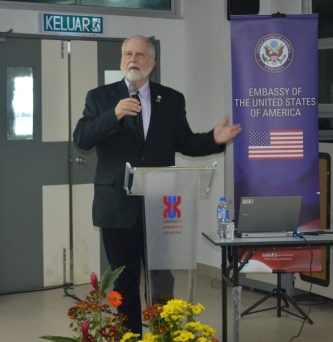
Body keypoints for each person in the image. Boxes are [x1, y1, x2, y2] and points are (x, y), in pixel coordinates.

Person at [73, 35, 241, 334]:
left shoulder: (171, 99)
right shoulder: (100, 97)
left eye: (139, 54)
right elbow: (82, 139)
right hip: (117, 204)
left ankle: (165, 335)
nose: (133, 59)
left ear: (152, 62)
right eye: (127, 54)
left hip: (162, 205)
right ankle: (131, 337)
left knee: (162, 277)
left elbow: (185, 141)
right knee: (124, 280)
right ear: (121, 60)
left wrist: (213, 140)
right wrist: (113, 115)